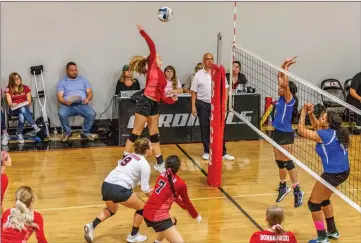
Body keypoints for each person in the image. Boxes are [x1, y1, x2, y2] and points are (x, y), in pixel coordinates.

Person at [123, 24, 177, 173]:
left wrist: (172, 100)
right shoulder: (152, 66)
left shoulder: (161, 74)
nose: (159, 57)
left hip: (154, 104)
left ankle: (159, 162)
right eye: (158, 56)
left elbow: (162, 96)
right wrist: (142, 31)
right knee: (136, 132)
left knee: (154, 133)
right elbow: (152, 46)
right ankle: (124, 159)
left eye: (159, 57)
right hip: (144, 101)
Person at [84, 138, 153, 243]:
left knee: (111, 210)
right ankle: (133, 235)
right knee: (143, 208)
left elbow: (129, 174)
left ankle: (91, 226)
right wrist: (154, 199)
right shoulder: (144, 164)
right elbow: (145, 189)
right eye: (151, 146)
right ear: (147, 150)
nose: (153, 148)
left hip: (106, 185)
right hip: (119, 188)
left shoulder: (130, 156)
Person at [298, 104, 350, 243]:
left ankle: (322, 237)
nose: (319, 119)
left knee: (313, 204)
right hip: (343, 171)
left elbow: (301, 130)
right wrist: (311, 114)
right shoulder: (335, 131)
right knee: (324, 199)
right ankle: (332, 231)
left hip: (333, 173)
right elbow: (317, 127)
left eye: (321, 117)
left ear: (327, 123)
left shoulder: (324, 135)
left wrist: (303, 113)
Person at [143, 155, 202, 243]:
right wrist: (196, 216)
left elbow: (174, 197)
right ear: (179, 167)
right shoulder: (180, 183)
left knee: (172, 222)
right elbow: (187, 202)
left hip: (147, 211)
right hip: (158, 217)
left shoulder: (162, 175)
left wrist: (186, 208)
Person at [270, 56, 303, 208]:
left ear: (288, 90)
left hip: (286, 134)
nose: (279, 88)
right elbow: (279, 77)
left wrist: (287, 70)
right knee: (279, 161)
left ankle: (297, 189)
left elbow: (285, 83)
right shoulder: (281, 98)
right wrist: (283, 64)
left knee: (288, 162)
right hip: (276, 132)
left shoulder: (290, 100)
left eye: (282, 87)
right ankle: (283, 186)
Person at [190, 53, 234, 161]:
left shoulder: (219, 73)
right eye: (207, 59)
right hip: (202, 103)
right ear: (203, 61)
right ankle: (206, 151)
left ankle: (223, 152)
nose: (210, 61)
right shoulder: (198, 75)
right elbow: (193, 91)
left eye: (211, 59)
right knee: (205, 127)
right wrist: (193, 106)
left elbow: (225, 89)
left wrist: (224, 103)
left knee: (220, 128)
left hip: (217, 104)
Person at [57, 62, 96, 142]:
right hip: (68, 105)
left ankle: (85, 132)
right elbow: (60, 97)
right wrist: (65, 101)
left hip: (81, 104)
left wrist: (87, 99)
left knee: (91, 113)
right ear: (67, 70)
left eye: (75, 70)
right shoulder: (62, 82)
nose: (74, 72)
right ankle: (67, 132)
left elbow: (90, 93)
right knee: (62, 113)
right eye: (72, 70)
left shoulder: (83, 80)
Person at [5, 72, 41, 144]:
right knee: (22, 109)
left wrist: (24, 104)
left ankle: (19, 134)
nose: (18, 80)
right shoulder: (8, 90)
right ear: (12, 81)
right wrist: (13, 104)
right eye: (16, 79)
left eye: (19, 78)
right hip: (14, 110)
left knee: (22, 115)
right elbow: (9, 103)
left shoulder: (26, 87)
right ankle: (34, 126)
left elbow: (29, 101)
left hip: (24, 109)